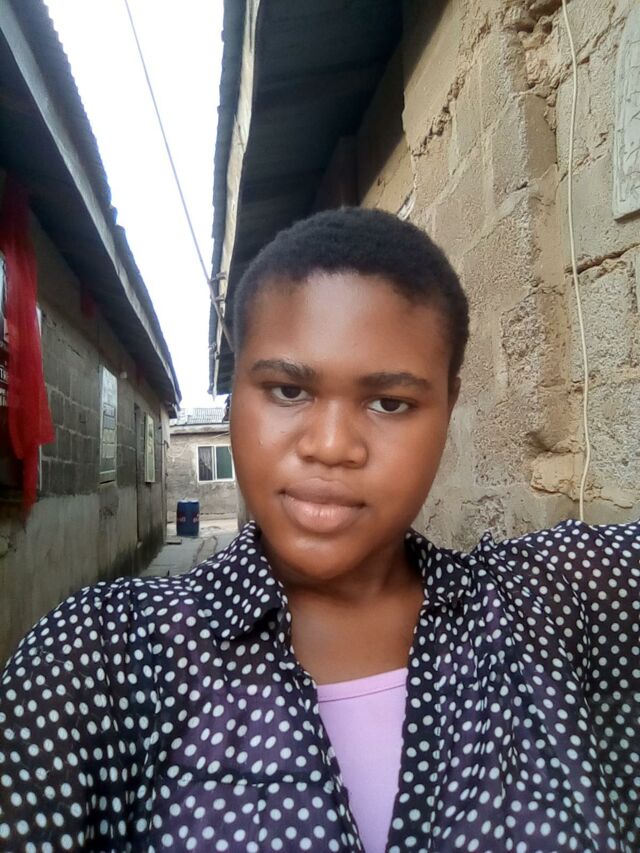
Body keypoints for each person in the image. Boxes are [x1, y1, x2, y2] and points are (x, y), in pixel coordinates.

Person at [0, 208, 638, 853]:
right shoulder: (99, 657)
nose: (331, 447)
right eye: (287, 391)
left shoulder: (549, 606)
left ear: (448, 405)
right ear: (233, 398)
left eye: (389, 403)